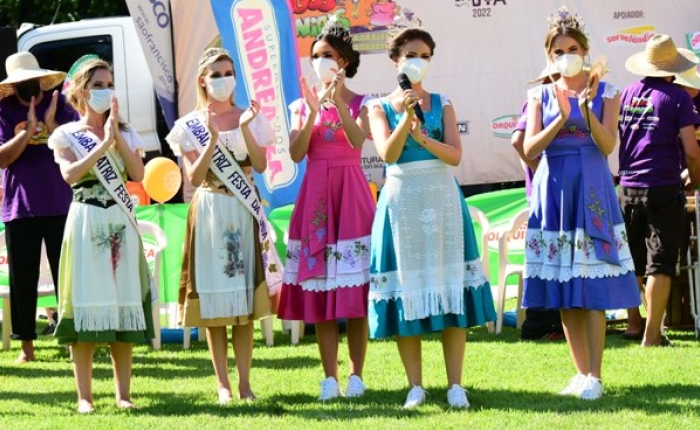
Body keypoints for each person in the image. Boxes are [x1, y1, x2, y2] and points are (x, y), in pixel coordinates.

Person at [367, 28, 496, 409]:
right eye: (410, 54)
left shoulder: (443, 103)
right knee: (407, 288)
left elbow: (455, 156)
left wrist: (422, 137)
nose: (417, 61)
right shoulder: (378, 107)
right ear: (395, 60)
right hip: (401, 199)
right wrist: (406, 119)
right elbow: (387, 155)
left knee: (451, 285)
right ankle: (415, 385)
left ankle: (456, 384)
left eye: (424, 54)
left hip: (442, 197)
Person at [521, 7, 641, 400]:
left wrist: (585, 109)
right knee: (564, 284)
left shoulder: (607, 92)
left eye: (572, 48)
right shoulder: (538, 94)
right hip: (553, 189)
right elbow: (528, 148)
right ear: (549, 54)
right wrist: (560, 117)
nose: (566, 55)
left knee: (592, 285)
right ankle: (580, 372)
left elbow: (608, 146)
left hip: (591, 188)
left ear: (585, 51)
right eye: (559, 50)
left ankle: (596, 375)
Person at [166, 47, 277, 404]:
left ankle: (245, 384)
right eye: (215, 74)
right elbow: (194, 177)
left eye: (228, 72)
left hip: (243, 211)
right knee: (214, 305)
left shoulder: (251, 117)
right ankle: (223, 385)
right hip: (211, 209)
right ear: (203, 80)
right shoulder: (188, 127)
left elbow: (259, 167)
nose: (223, 80)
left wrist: (244, 129)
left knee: (243, 304)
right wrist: (213, 139)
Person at [277, 20, 375, 401]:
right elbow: (297, 152)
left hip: (350, 195)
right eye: (315, 56)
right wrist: (315, 111)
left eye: (327, 56)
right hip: (316, 195)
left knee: (353, 293)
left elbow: (357, 140)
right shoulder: (301, 104)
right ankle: (329, 378)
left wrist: (336, 104)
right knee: (321, 292)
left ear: (345, 61)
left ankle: (357, 375)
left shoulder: (363, 103)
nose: (319, 62)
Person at [49, 58, 154, 413]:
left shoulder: (125, 132)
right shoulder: (67, 135)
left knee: (123, 303)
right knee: (86, 303)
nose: (106, 90)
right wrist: (101, 143)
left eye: (109, 83)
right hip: (86, 221)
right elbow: (70, 175)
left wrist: (115, 138)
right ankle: (84, 397)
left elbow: (138, 173)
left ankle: (123, 395)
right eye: (98, 85)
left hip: (120, 223)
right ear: (80, 91)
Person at [618, 35, 700, 347]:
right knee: (661, 264)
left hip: (627, 185)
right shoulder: (678, 99)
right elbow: (692, 151)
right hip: (663, 184)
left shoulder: (626, 93)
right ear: (672, 68)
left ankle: (634, 324)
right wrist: (695, 178)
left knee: (633, 262)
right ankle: (652, 336)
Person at [0, 52, 77, 363]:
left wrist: (50, 124)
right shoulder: (3, 110)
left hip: (60, 202)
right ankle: (26, 347)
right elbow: (3, 158)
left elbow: (75, 145)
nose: (28, 86)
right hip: (19, 207)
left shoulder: (61, 103)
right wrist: (27, 131)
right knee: (22, 279)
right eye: (21, 82)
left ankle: (74, 342)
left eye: (31, 79)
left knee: (68, 277)